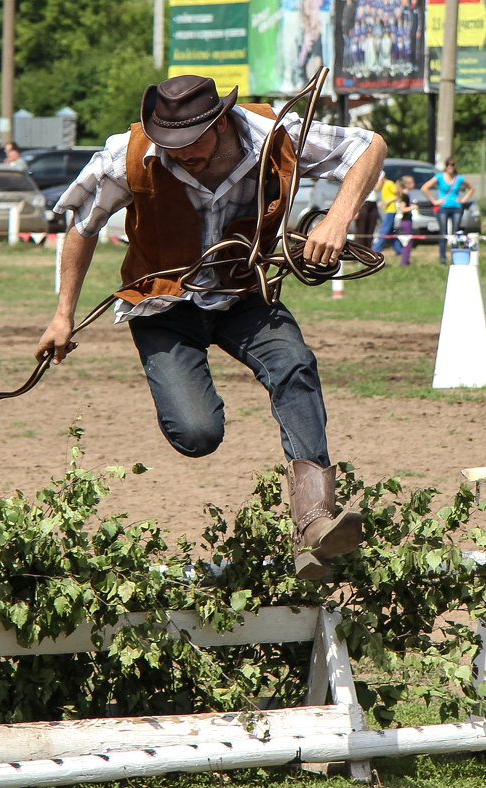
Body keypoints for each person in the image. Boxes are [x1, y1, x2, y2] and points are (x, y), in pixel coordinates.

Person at [35, 75, 386, 579]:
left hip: (247, 293)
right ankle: (213, 432)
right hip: (164, 305)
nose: (179, 155)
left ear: (219, 120)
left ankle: (314, 520)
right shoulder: (125, 156)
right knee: (197, 434)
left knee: (295, 365)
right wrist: (63, 315)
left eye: (190, 144)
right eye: (168, 145)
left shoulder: (275, 134)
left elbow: (370, 146)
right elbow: (82, 227)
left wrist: (337, 218)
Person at [421, 158, 474, 265]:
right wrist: (434, 201)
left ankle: (456, 257)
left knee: (456, 234)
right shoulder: (440, 177)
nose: (450, 166)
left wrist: (463, 200)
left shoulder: (459, 178)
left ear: (455, 166)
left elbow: (471, 188)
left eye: (453, 164)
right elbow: (425, 187)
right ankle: (443, 258)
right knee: (443, 233)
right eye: (448, 164)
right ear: (446, 166)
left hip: (456, 207)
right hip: (443, 207)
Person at [372, 173, 402, 256]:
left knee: (384, 231)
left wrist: (389, 201)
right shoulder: (384, 186)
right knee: (391, 232)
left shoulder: (389, 183)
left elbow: (398, 195)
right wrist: (382, 202)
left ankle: (375, 249)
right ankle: (399, 250)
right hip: (387, 210)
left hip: (391, 210)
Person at [354, 171, 381, 244]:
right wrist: (356, 210)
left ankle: (368, 250)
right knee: (361, 229)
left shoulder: (379, 172)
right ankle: (359, 250)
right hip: (363, 203)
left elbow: (377, 188)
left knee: (370, 229)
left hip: (373, 203)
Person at [397, 175, 417, 266]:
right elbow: (403, 209)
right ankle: (404, 262)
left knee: (408, 241)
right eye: (412, 182)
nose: (414, 184)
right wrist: (413, 207)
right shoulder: (404, 196)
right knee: (407, 242)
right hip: (406, 221)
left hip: (407, 220)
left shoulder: (406, 195)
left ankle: (406, 261)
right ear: (407, 184)